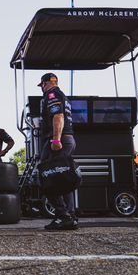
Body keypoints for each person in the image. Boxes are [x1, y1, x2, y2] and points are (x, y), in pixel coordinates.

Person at [38, 73, 78, 231]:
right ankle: (70, 216)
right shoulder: (63, 96)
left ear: (44, 84)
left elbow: (58, 116)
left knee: (47, 177)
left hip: (58, 141)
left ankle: (62, 215)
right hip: (69, 139)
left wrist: (55, 139)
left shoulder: (51, 94)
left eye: (42, 85)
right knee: (63, 179)